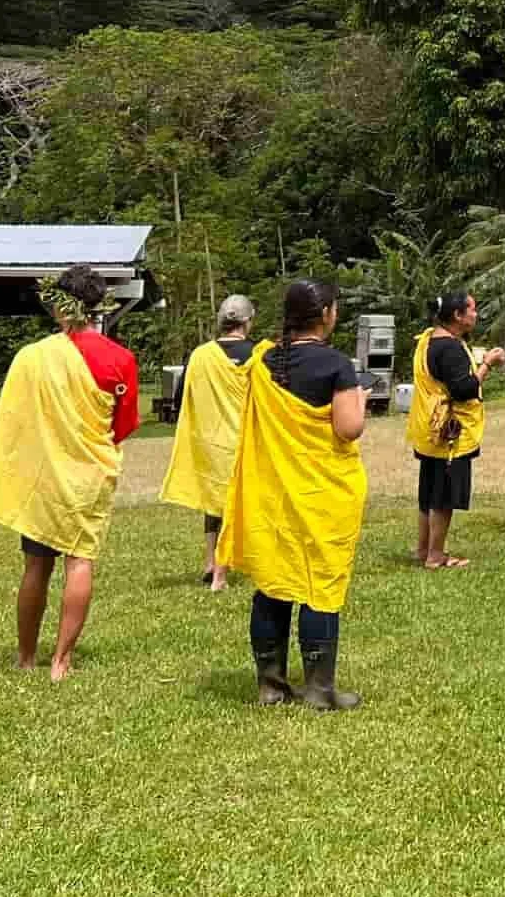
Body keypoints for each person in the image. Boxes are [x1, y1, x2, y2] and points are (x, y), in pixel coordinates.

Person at [0, 263, 142, 680]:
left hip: (43, 479)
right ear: (98, 304)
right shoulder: (119, 359)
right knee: (80, 562)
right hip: (88, 478)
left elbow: (16, 420)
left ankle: (27, 657)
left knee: (35, 567)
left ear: (57, 306)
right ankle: (61, 661)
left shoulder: (32, 358)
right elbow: (123, 425)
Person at [217, 278, 370, 708]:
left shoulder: (265, 360)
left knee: (272, 583)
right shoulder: (337, 366)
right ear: (326, 315)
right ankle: (320, 689)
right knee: (321, 585)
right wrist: (361, 399)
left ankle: (271, 685)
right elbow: (347, 429)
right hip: (323, 496)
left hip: (275, 496)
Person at [159, 295, 268, 591]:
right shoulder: (259, 354)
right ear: (247, 321)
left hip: (209, 443)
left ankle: (210, 561)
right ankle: (221, 574)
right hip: (245, 442)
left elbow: (181, 399)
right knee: (238, 506)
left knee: (214, 506)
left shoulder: (200, 355)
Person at [409, 291, 503, 569]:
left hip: (429, 430)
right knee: (444, 496)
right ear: (457, 316)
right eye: (471, 309)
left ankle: (424, 548)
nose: (476, 314)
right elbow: (464, 389)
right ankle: (436, 555)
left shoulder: (429, 340)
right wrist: (488, 363)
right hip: (450, 433)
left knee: (429, 491)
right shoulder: (449, 348)